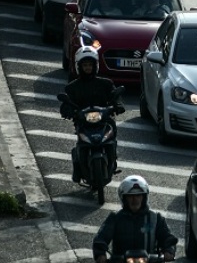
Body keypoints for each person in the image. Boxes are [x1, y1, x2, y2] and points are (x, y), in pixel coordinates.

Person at [63, 46, 120, 183]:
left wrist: (118, 105)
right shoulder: (72, 87)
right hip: (83, 122)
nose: (88, 68)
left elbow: (115, 96)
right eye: (85, 65)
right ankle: (78, 169)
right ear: (79, 66)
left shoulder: (105, 83)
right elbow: (66, 102)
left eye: (90, 65)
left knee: (112, 135)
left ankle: (113, 160)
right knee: (80, 144)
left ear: (95, 65)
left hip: (103, 121)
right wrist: (67, 111)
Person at [93, 176, 178, 263]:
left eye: (138, 195)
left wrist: (169, 251)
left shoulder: (155, 218)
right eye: (131, 196)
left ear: (144, 197)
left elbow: (168, 238)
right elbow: (101, 238)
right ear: (124, 198)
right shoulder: (115, 217)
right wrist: (100, 254)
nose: (135, 199)